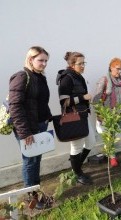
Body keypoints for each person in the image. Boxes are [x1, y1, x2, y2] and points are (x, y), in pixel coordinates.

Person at [9, 46, 52, 208]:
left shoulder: (40, 77)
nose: (44, 64)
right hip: (27, 128)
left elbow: (40, 102)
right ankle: (31, 198)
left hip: (40, 125)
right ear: (30, 59)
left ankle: (36, 191)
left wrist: (48, 117)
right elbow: (15, 106)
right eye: (40, 60)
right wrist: (24, 132)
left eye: (46, 61)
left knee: (36, 159)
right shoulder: (22, 76)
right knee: (29, 161)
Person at [56, 51, 94, 185]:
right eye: (80, 63)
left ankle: (76, 165)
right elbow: (64, 102)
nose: (83, 66)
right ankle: (77, 173)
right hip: (74, 118)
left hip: (83, 114)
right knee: (76, 147)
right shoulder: (67, 78)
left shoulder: (78, 76)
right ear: (72, 65)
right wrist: (83, 97)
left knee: (91, 142)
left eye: (84, 63)